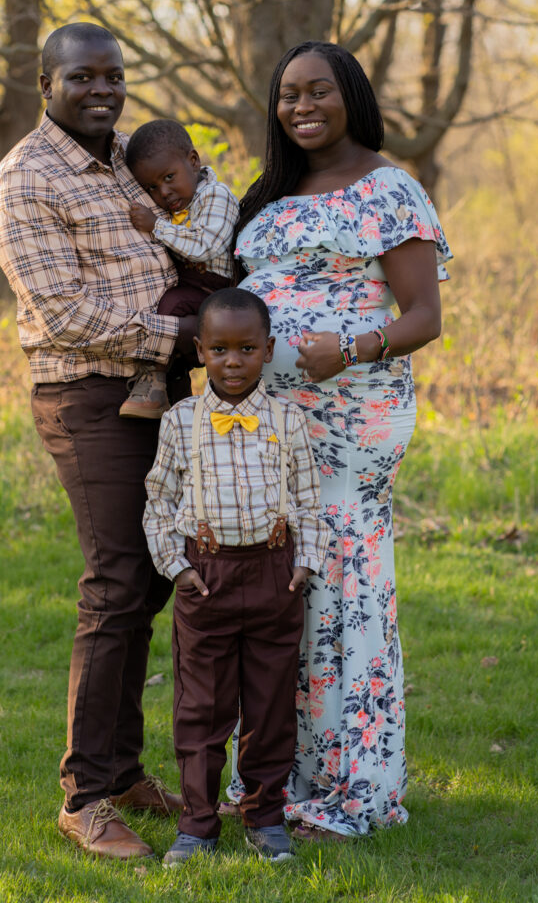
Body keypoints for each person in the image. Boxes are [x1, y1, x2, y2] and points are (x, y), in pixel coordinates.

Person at [226, 41, 452, 840]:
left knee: (341, 594)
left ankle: (350, 791)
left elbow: (423, 315)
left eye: (317, 90)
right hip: (270, 429)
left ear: (350, 94)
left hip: (352, 418)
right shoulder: (269, 194)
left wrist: (350, 349)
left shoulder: (387, 189)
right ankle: (269, 781)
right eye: (286, 95)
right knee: (274, 594)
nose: (301, 107)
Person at [0, 22, 196, 860]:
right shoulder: (24, 180)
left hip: (163, 389)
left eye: (113, 75)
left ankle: (123, 770)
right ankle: (83, 796)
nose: (102, 90)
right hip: (87, 395)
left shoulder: (124, 160)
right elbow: (66, 314)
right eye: (82, 78)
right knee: (115, 580)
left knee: (148, 581)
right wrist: (187, 336)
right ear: (47, 83)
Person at [142, 288, 330, 866]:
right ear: (200, 351)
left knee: (271, 706)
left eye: (247, 348)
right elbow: (158, 500)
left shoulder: (289, 420)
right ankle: (198, 824)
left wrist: (305, 564)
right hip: (208, 578)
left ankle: (265, 816)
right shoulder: (181, 422)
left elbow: (309, 500)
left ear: (267, 350)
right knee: (202, 707)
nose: (232, 361)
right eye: (219, 349)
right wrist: (177, 569)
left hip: (275, 577)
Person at [120, 119, 237, 419]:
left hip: (215, 286)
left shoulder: (216, 196)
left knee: (173, 307)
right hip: (191, 283)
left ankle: (154, 380)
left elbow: (205, 245)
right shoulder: (177, 205)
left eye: (169, 177)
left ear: (194, 161)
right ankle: (169, 384)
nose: (165, 192)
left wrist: (156, 225)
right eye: (153, 187)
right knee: (167, 306)